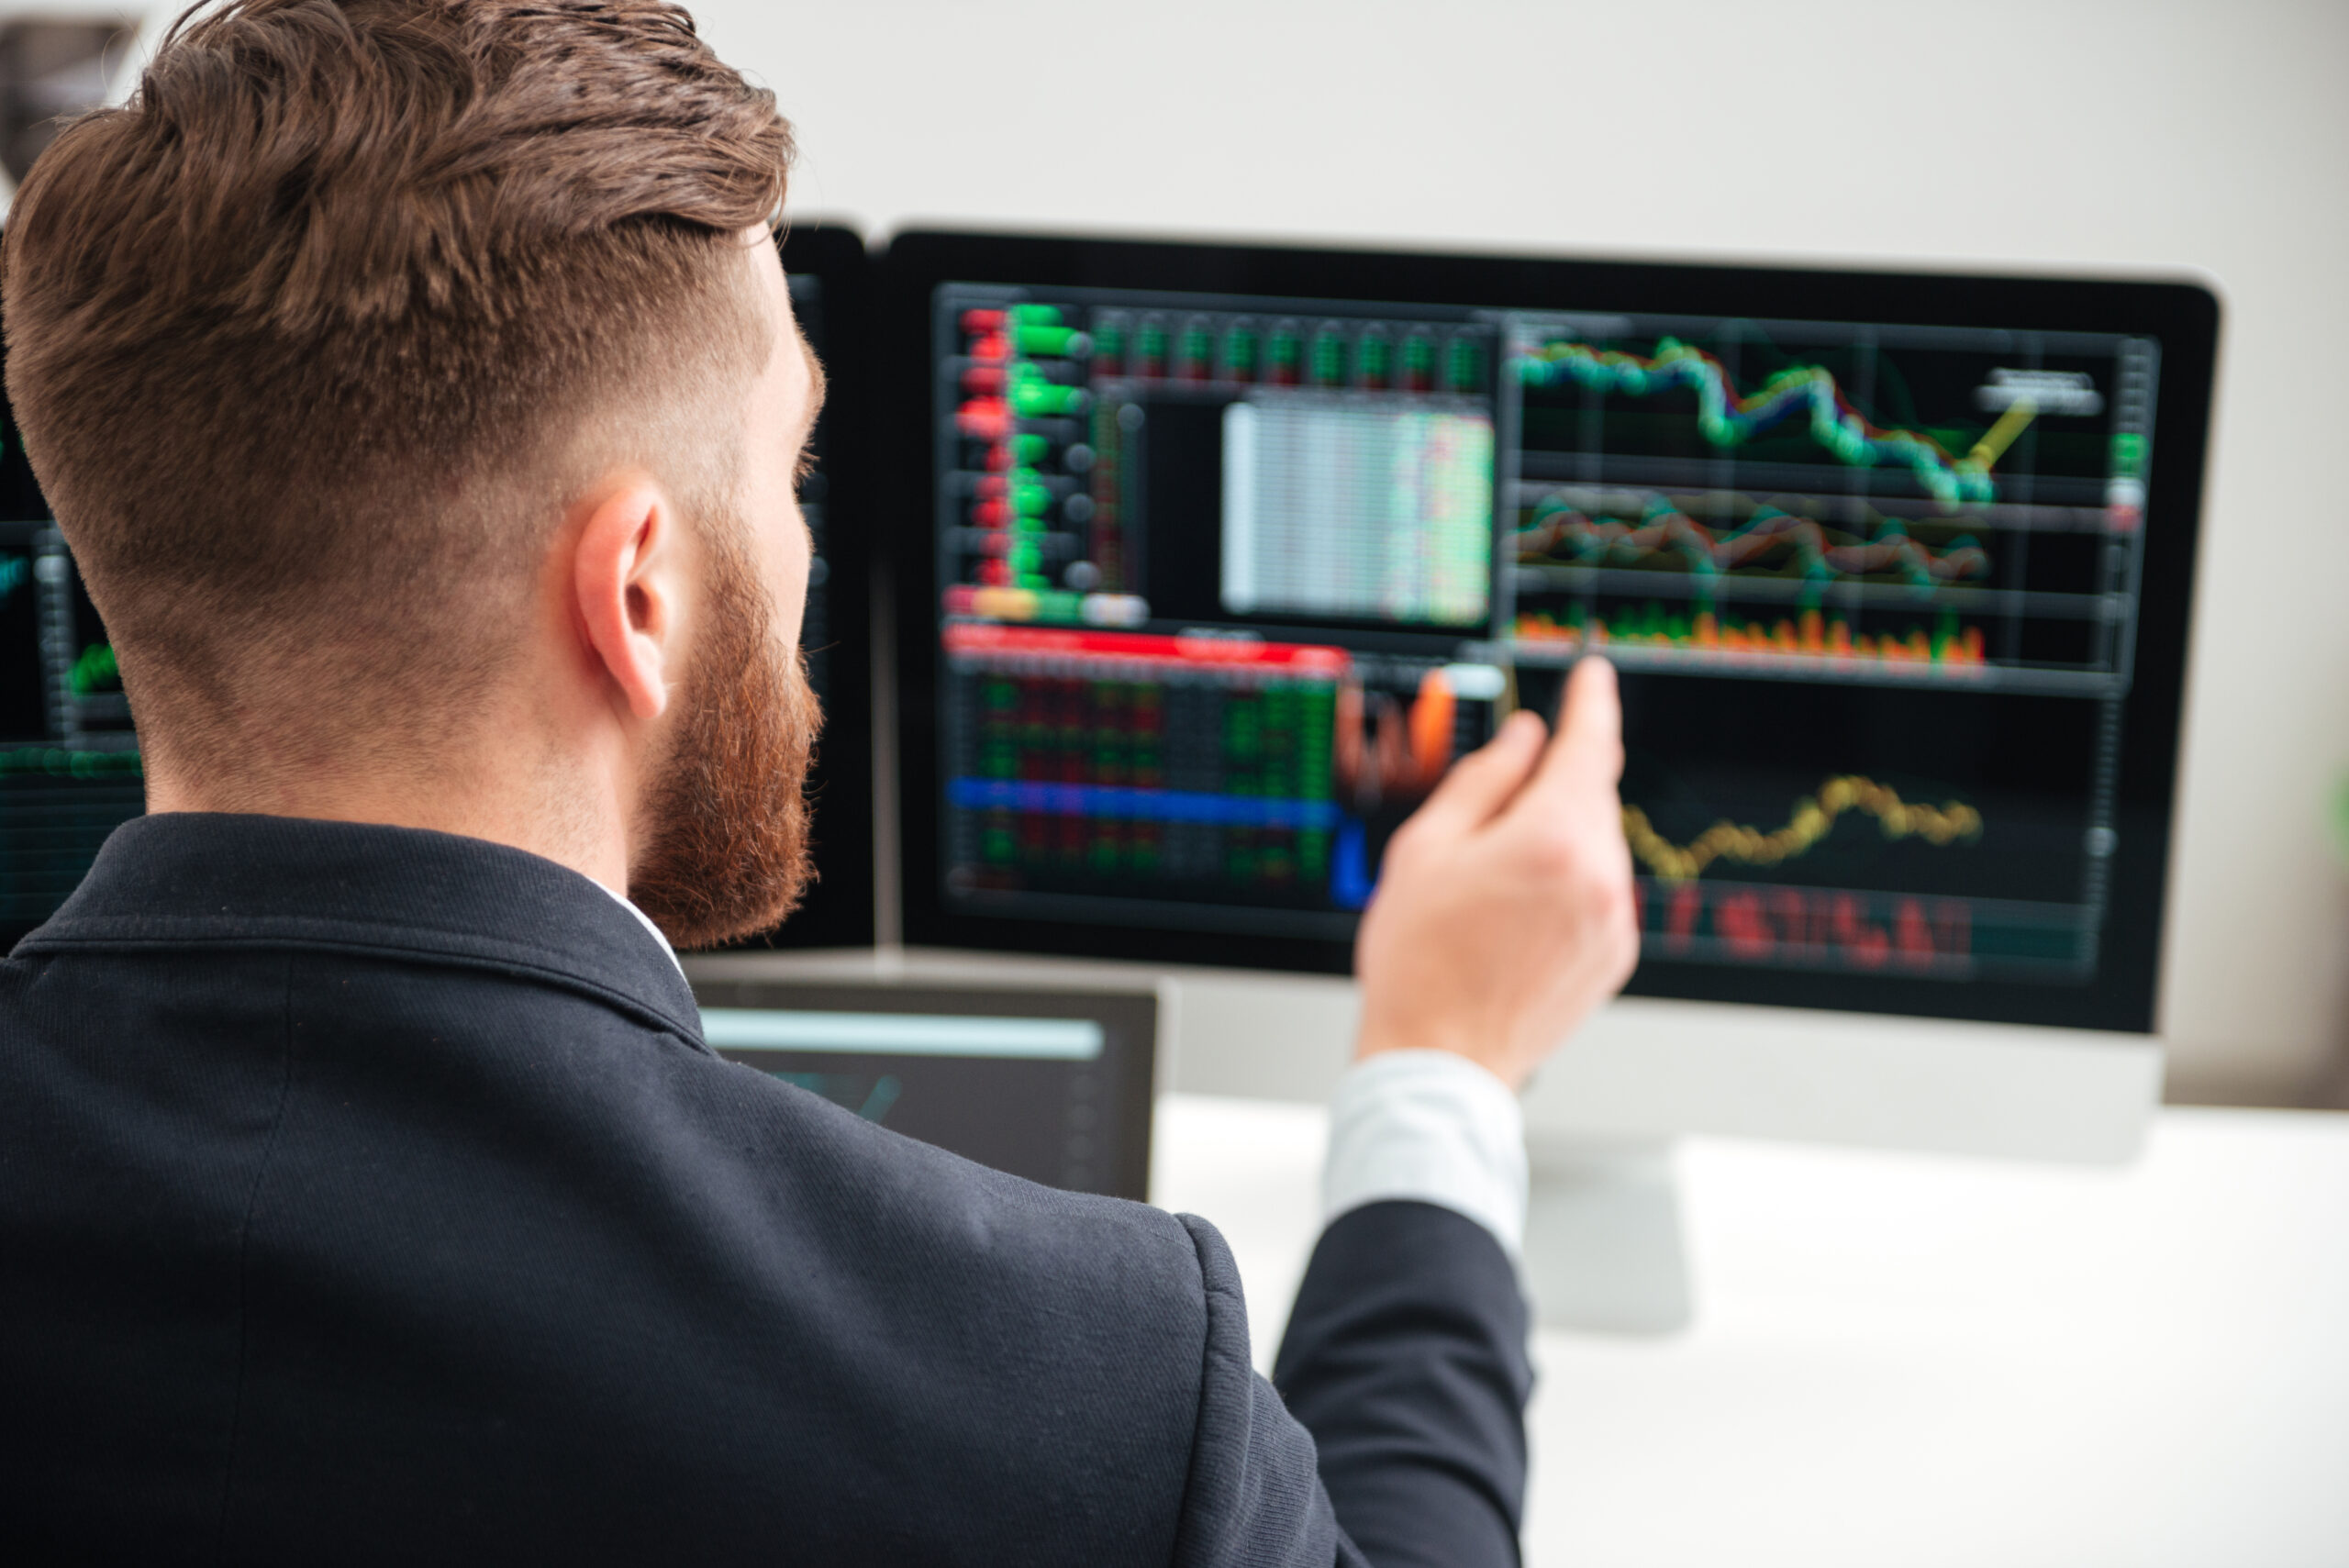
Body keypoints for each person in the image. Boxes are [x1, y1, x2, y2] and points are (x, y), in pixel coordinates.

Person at [0, 0, 1638, 1562]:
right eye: (788, 469)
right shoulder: (1089, 1390)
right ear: (637, 592)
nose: (800, 548)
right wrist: (1444, 1066)